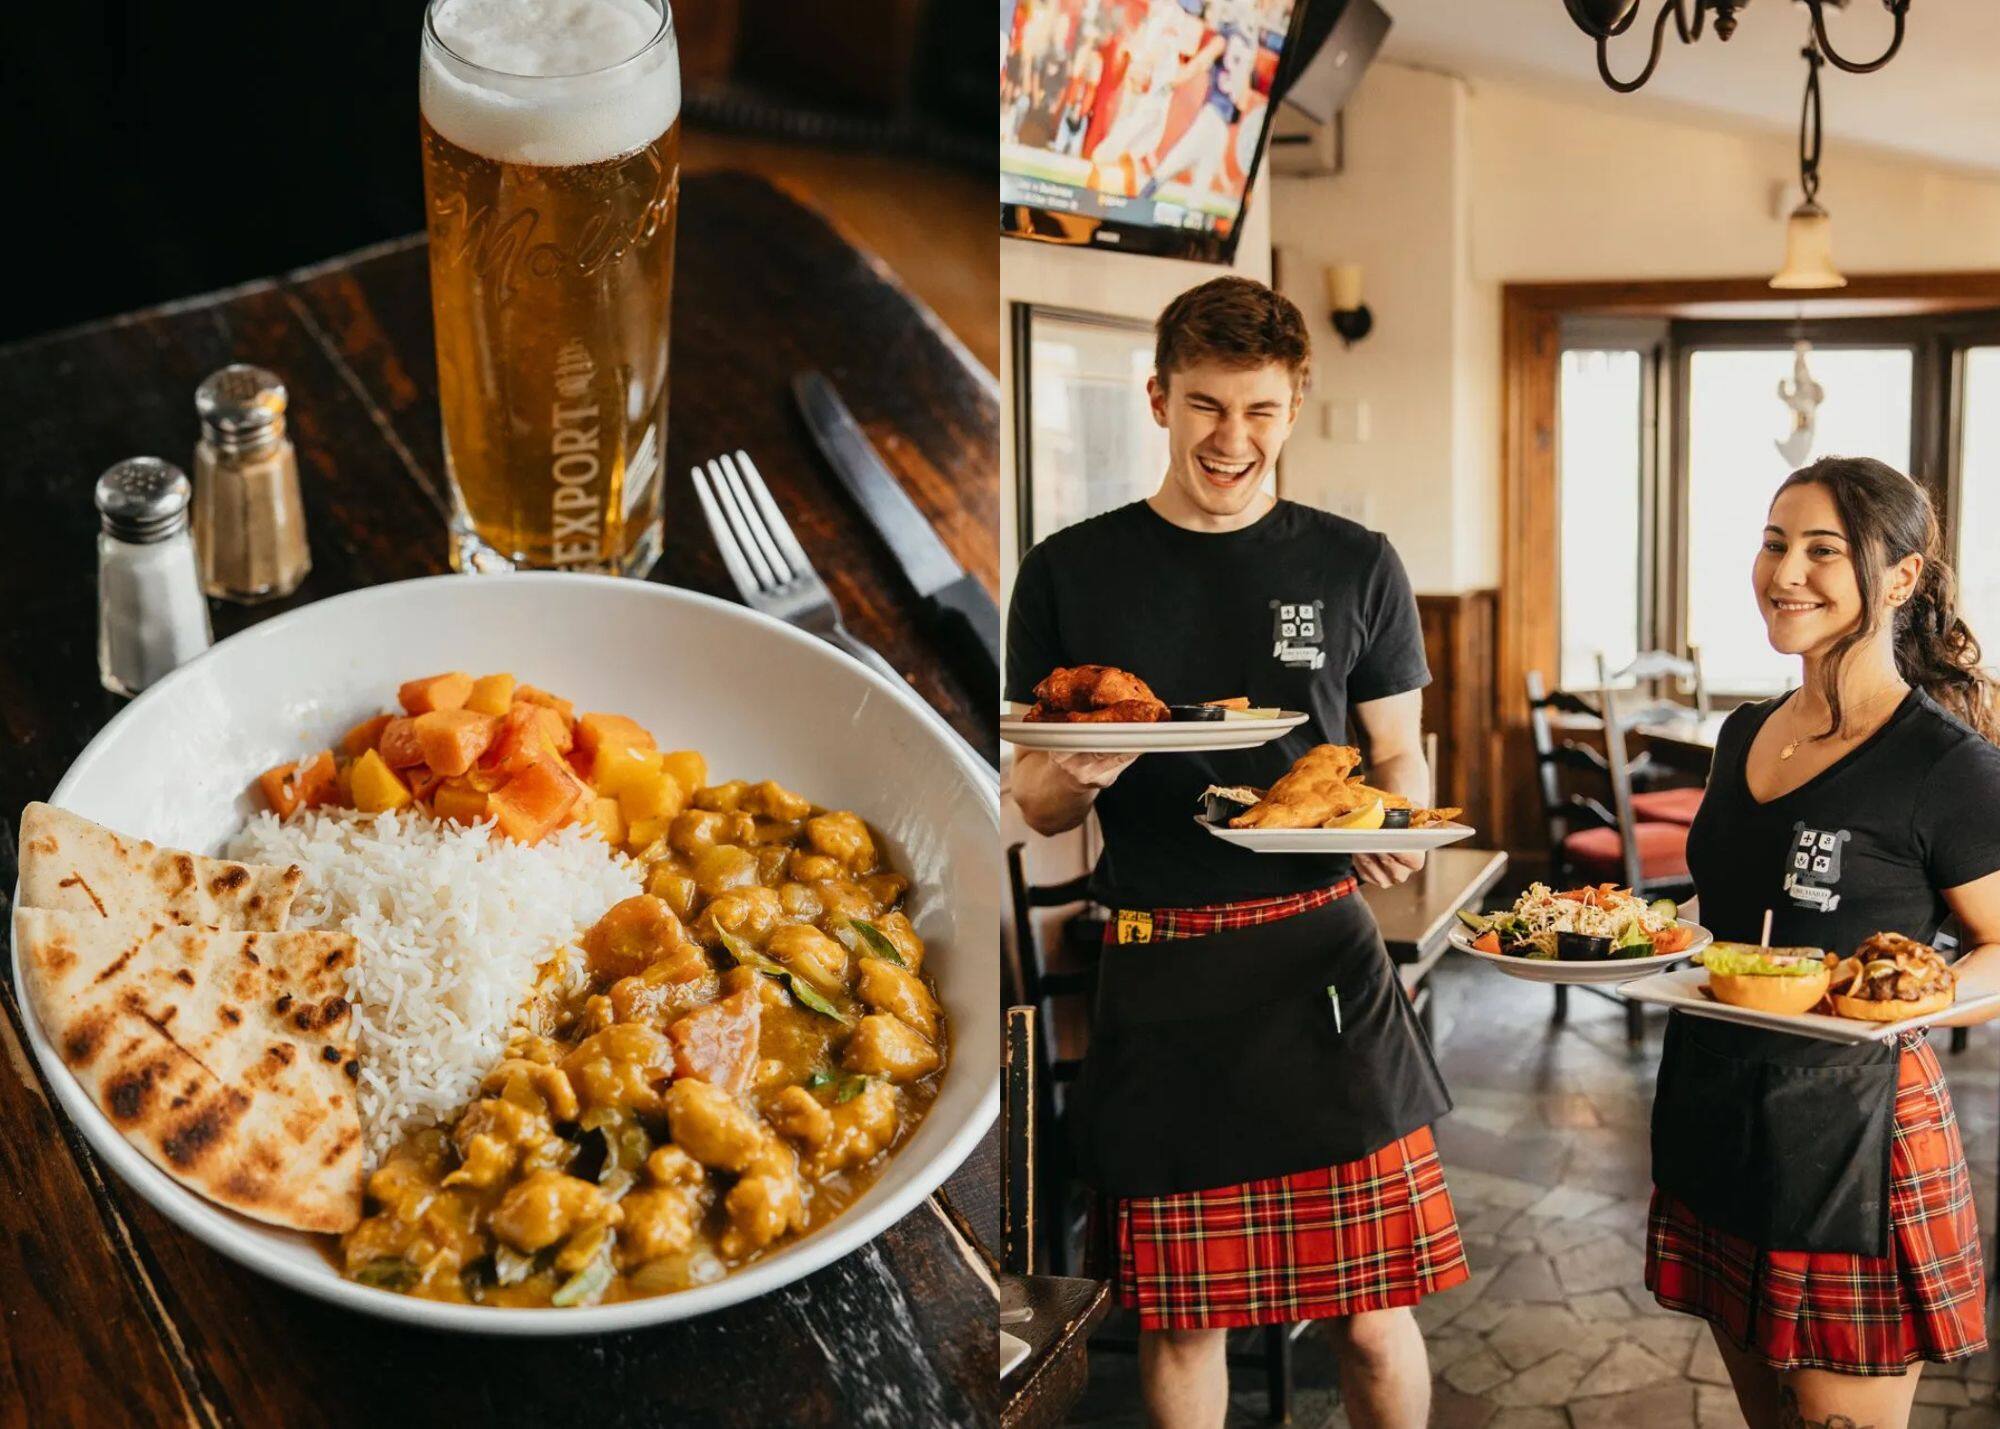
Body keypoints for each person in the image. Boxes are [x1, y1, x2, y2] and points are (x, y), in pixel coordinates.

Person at [1007, 276, 1468, 1429]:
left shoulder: (1356, 561)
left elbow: (1397, 758)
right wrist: (1078, 772)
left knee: (1375, 1310)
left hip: (1321, 960)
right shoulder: (1068, 568)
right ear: (1157, 397)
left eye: (1258, 410)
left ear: (1294, 405)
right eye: (1206, 406)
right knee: (1181, 1314)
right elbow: (1032, 802)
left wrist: (1393, 832)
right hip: (1160, 964)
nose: (1231, 438)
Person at [1646, 456, 2000, 1429]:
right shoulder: (1741, 731)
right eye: (1772, 542)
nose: (1783, 571)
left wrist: (1899, 1002)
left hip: (1853, 1129)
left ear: (1898, 578)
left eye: (1820, 549)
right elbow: (1720, 911)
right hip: (1716, 1101)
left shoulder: (1946, 765)